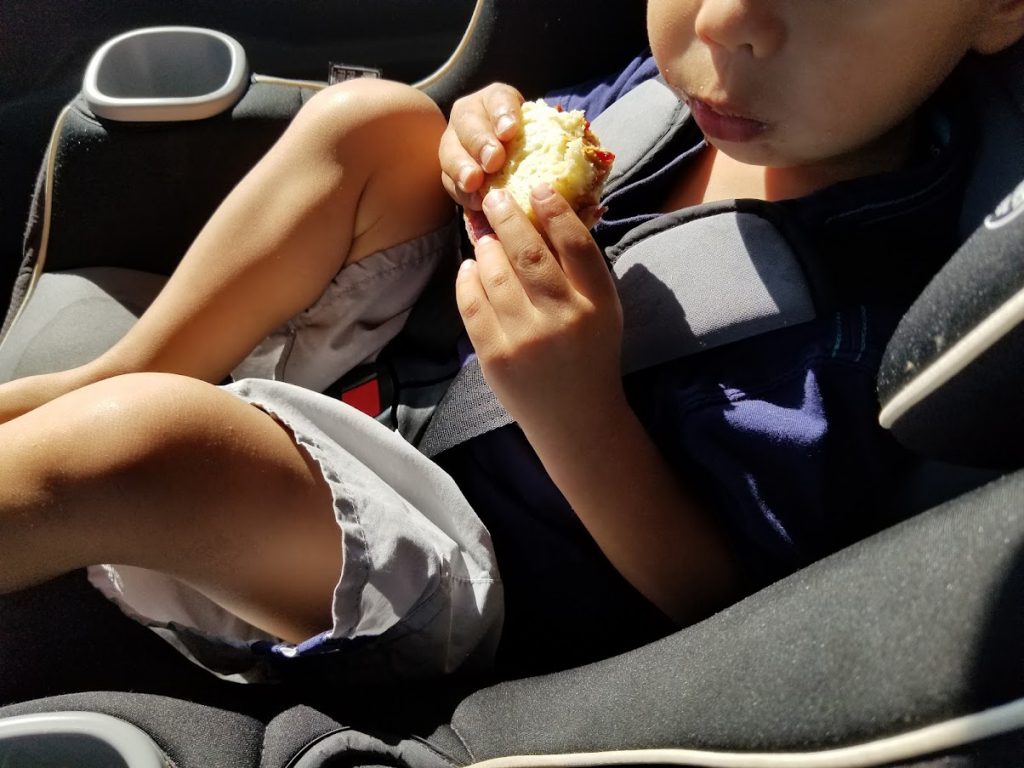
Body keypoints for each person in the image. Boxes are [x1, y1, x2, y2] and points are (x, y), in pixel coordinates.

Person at [0, 0, 1022, 681]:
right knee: (373, 121)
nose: (722, 23)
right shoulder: (707, 100)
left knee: (150, 443)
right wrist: (475, 138)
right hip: (417, 367)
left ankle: (112, 417)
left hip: (470, 558)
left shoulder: (855, 335)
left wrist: (576, 413)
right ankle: (115, 367)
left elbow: (723, 605)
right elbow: (559, 129)